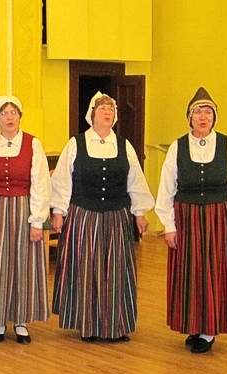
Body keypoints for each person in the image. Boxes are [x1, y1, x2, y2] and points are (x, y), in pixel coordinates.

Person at [50, 92, 154, 343]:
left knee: (117, 271)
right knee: (87, 269)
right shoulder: (76, 144)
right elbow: (62, 180)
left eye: (110, 109)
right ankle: (88, 326)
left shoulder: (124, 145)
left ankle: (116, 326)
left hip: (117, 215)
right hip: (84, 213)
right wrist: (58, 212)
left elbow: (135, 180)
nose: (107, 112)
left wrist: (140, 213)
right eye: (102, 108)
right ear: (92, 114)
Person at [155, 87, 227, 354]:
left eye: (208, 112)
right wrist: (169, 226)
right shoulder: (177, 146)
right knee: (190, 272)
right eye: (198, 111)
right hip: (186, 216)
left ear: (214, 117)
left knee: (214, 271)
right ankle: (195, 325)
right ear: (189, 117)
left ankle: (209, 331)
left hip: (218, 217)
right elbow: (166, 188)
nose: (203, 117)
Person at [0, 95, 51, 344]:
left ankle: (21, 321)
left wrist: (37, 221)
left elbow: (41, 183)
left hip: (23, 210)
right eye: (4, 113)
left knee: (23, 265)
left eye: (14, 112)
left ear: (20, 117)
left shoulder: (33, 144)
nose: (9, 117)